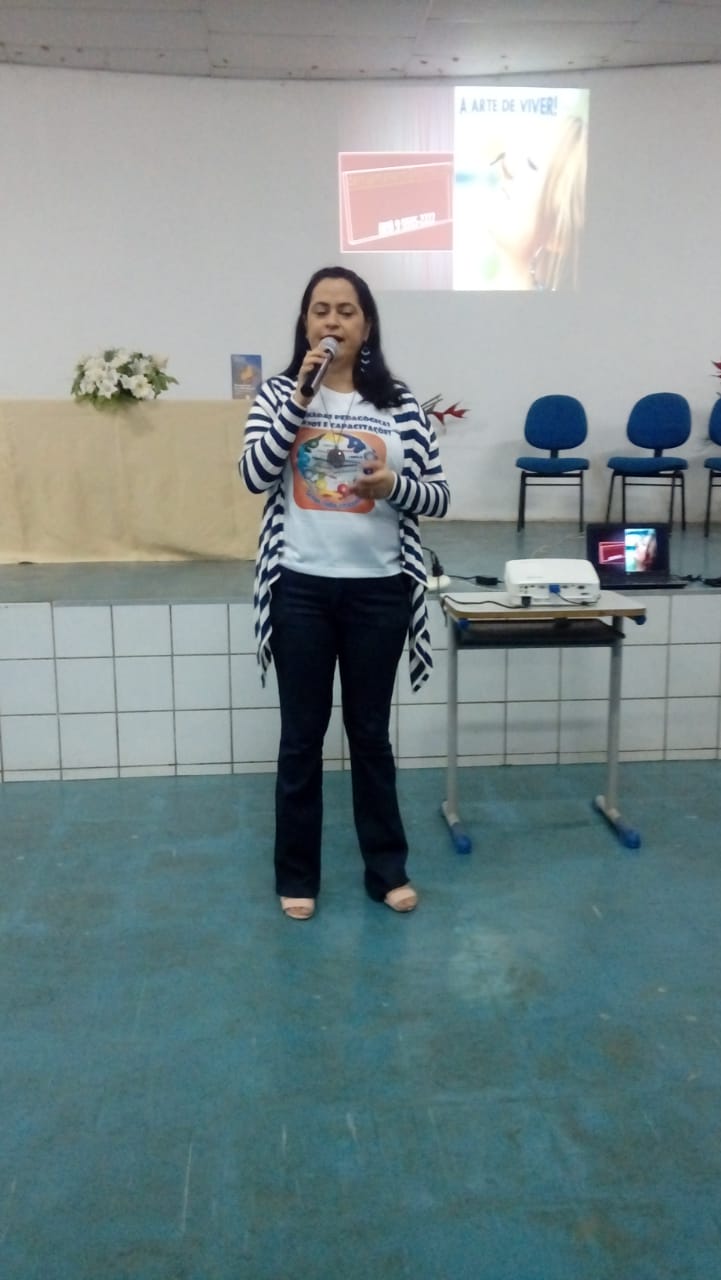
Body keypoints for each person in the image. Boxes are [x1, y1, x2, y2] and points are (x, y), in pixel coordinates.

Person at [239, 266, 450, 920]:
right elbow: (254, 474)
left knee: (370, 736)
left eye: (346, 311)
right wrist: (299, 401)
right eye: (321, 310)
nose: (333, 321)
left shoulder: (400, 405)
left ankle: (386, 871)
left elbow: (438, 497)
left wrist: (393, 488)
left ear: (367, 324)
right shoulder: (279, 394)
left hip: (378, 593)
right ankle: (296, 875)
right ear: (305, 322)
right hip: (300, 589)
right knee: (301, 739)